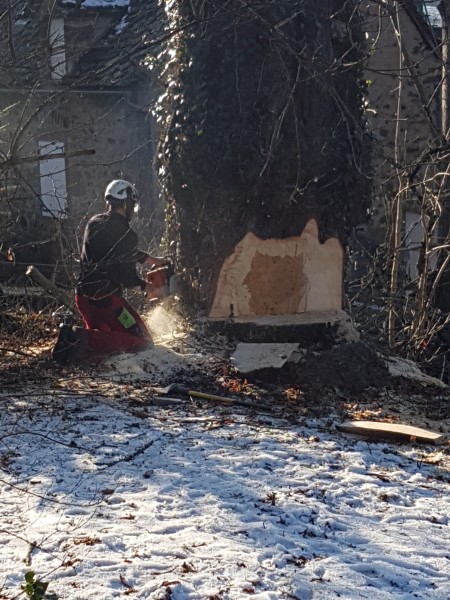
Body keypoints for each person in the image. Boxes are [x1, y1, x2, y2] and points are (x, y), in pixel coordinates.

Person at [52, 179, 167, 365]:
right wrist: (149, 288)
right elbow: (127, 277)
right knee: (143, 342)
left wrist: (150, 260)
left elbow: (113, 249)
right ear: (126, 204)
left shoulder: (93, 223)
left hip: (83, 298)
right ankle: (79, 338)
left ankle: (80, 344)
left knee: (107, 337)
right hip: (107, 303)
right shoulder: (128, 235)